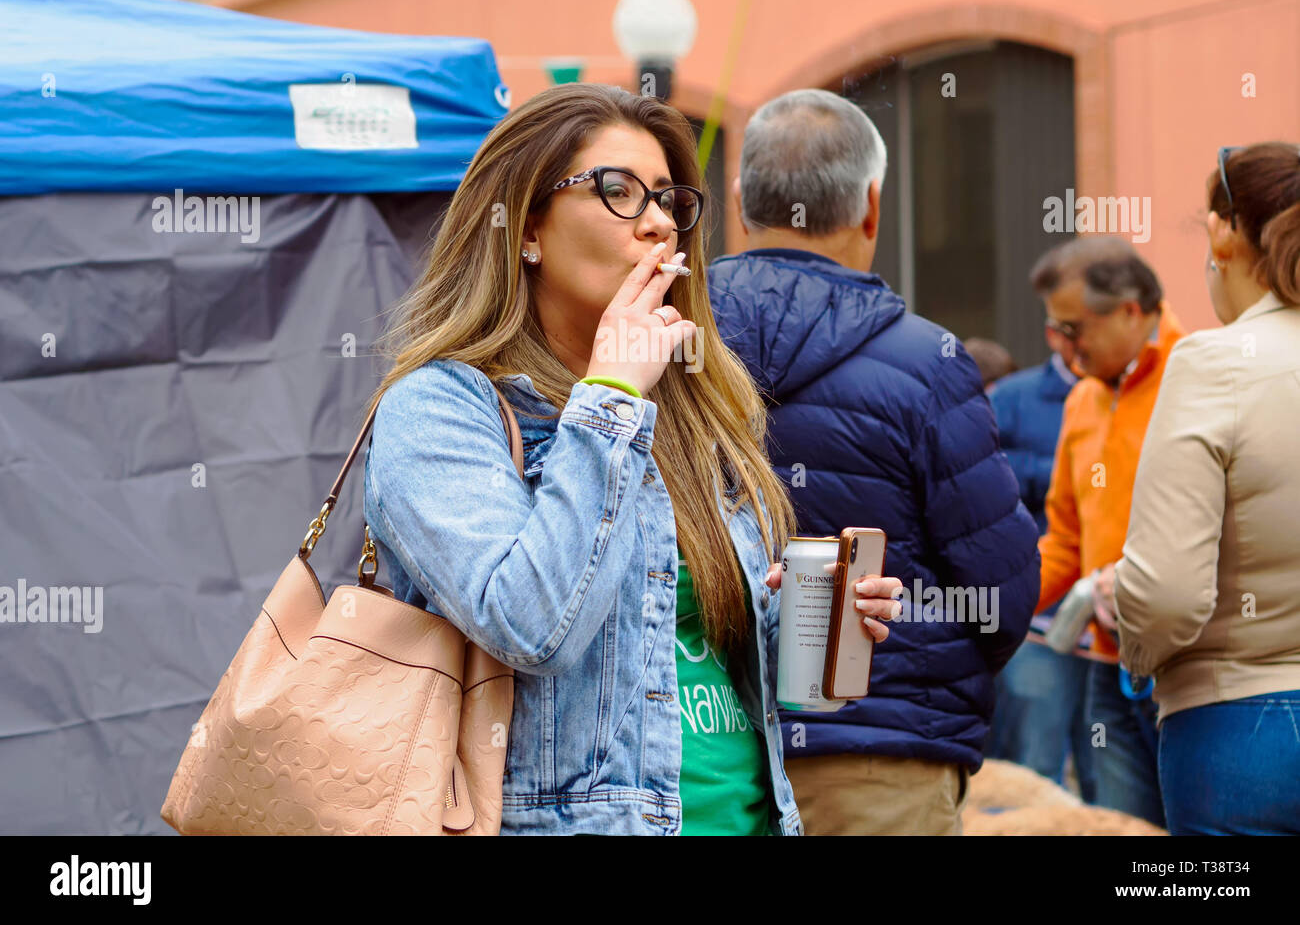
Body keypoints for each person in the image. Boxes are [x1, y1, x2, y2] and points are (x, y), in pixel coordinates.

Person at [360, 82, 903, 835]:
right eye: (616, 191)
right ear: (526, 230)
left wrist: (809, 618)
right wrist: (610, 394)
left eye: (668, 201)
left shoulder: (695, 410)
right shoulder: (442, 406)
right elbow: (531, 625)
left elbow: (697, 657)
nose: (655, 224)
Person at [708, 88, 1040, 836]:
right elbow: (1003, 588)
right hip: (874, 754)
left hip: (699, 747)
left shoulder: (657, 341)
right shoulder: (927, 362)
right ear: (871, 207)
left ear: (740, 199)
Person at [1114, 142, 1300, 835]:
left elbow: (1167, 595)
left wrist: (1135, 645)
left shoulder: (1212, 362)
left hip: (1239, 727)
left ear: (1224, 235)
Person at [1032, 235, 1184, 829]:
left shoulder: (1199, 374)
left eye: (1075, 330)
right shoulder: (1084, 401)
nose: (1066, 350)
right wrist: (988, 605)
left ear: (1130, 310)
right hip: (1107, 670)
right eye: (1056, 332)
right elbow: (1064, 542)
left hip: (1187, 672)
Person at [983, 266, 1094, 800]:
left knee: (1111, 785)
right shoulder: (1014, 397)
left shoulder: (1139, 393)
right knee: (1034, 773)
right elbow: (986, 494)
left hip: (1115, 633)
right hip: (1041, 626)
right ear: (1054, 334)